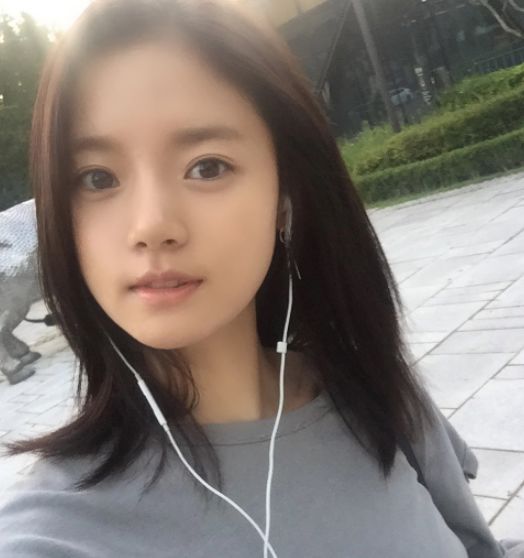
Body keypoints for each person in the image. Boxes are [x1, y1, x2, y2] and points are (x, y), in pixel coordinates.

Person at [0, 0, 522, 556]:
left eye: (207, 166)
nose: (151, 225)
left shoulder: (377, 399)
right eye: (97, 178)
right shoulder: (51, 534)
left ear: (284, 195)